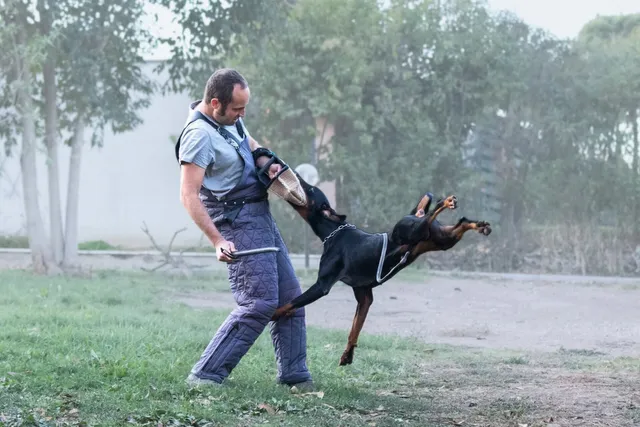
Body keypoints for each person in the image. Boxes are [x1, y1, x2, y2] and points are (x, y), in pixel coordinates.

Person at [175, 68, 314, 391]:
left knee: (291, 297)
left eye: (244, 108)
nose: (242, 114)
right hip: (235, 221)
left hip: (259, 215)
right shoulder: (198, 136)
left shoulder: (228, 119)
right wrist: (217, 240)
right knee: (259, 301)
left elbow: (248, 142)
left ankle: (294, 376)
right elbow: (188, 195)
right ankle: (205, 376)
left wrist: (268, 161)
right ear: (214, 103)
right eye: (237, 109)